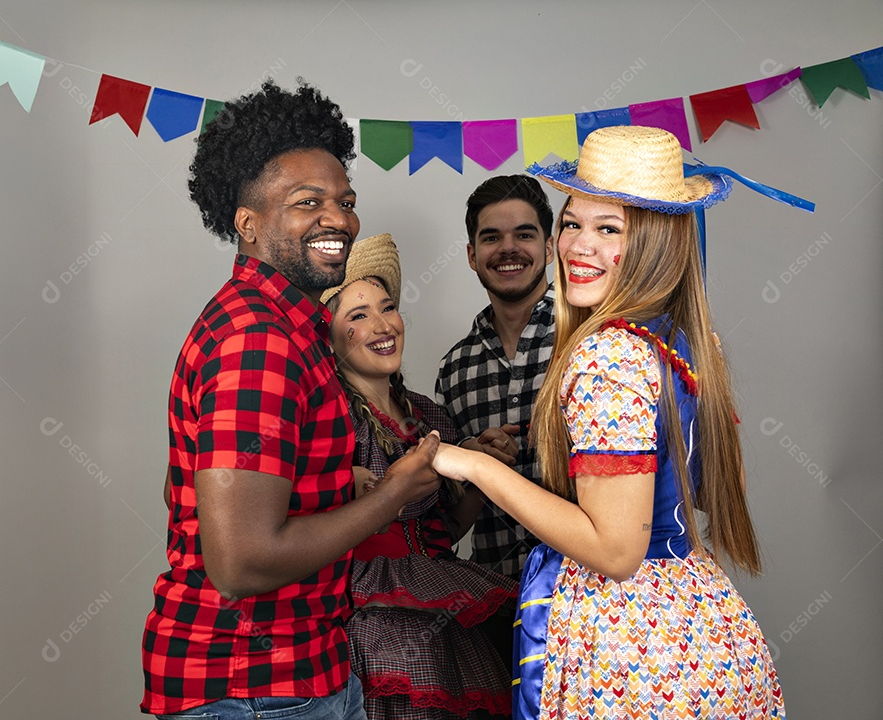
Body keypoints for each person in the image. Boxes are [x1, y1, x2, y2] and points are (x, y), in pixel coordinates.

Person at [432, 126, 800, 719]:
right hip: (703, 626)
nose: (579, 246)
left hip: (630, 653)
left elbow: (616, 551)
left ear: (655, 243)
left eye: (610, 230)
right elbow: (702, 490)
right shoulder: (687, 340)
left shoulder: (608, 356)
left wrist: (471, 463)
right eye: (573, 222)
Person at [141, 80, 442, 719]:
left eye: (345, 200)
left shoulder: (290, 328)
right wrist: (391, 494)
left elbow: (186, 492)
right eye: (309, 203)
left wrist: (334, 490)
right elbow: (242, 563)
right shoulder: (260, 341)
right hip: (254, 688)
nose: (338, 219)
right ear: (247, 224)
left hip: (299, 674)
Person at [321, 233, 518, 720]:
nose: (382, 324)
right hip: (369, 616)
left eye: (387, 307)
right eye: (358, 315)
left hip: (440, 605)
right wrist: (343, 482)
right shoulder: (328, 418)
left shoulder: (428, 416)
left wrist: (481, 471)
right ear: (327, 335)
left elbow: (444, 531)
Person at [435, 174, 556, 580]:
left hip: (593, 603)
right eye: (491, 238)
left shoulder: (593, 340)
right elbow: (446, 521)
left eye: (524, 234)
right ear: (472, 255)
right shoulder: (454, 370)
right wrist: (471, 460)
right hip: (495, 607)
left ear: (550, 248)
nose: (508, 248)